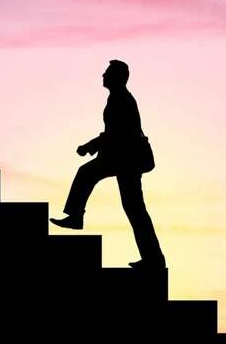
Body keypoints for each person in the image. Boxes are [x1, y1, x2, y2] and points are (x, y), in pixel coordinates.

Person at [50, 60, 165, 269]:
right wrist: (93, 146)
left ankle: (75, 217)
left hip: (125, 159)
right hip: (124, 158)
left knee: (87, 174)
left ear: (117, 77)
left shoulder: (121, 99)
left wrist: (90, 146)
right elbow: (114, 133)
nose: (103, 75)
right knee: (135, 209)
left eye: (107, 72)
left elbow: (117, 134)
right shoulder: (118, 98)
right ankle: (153, 259)